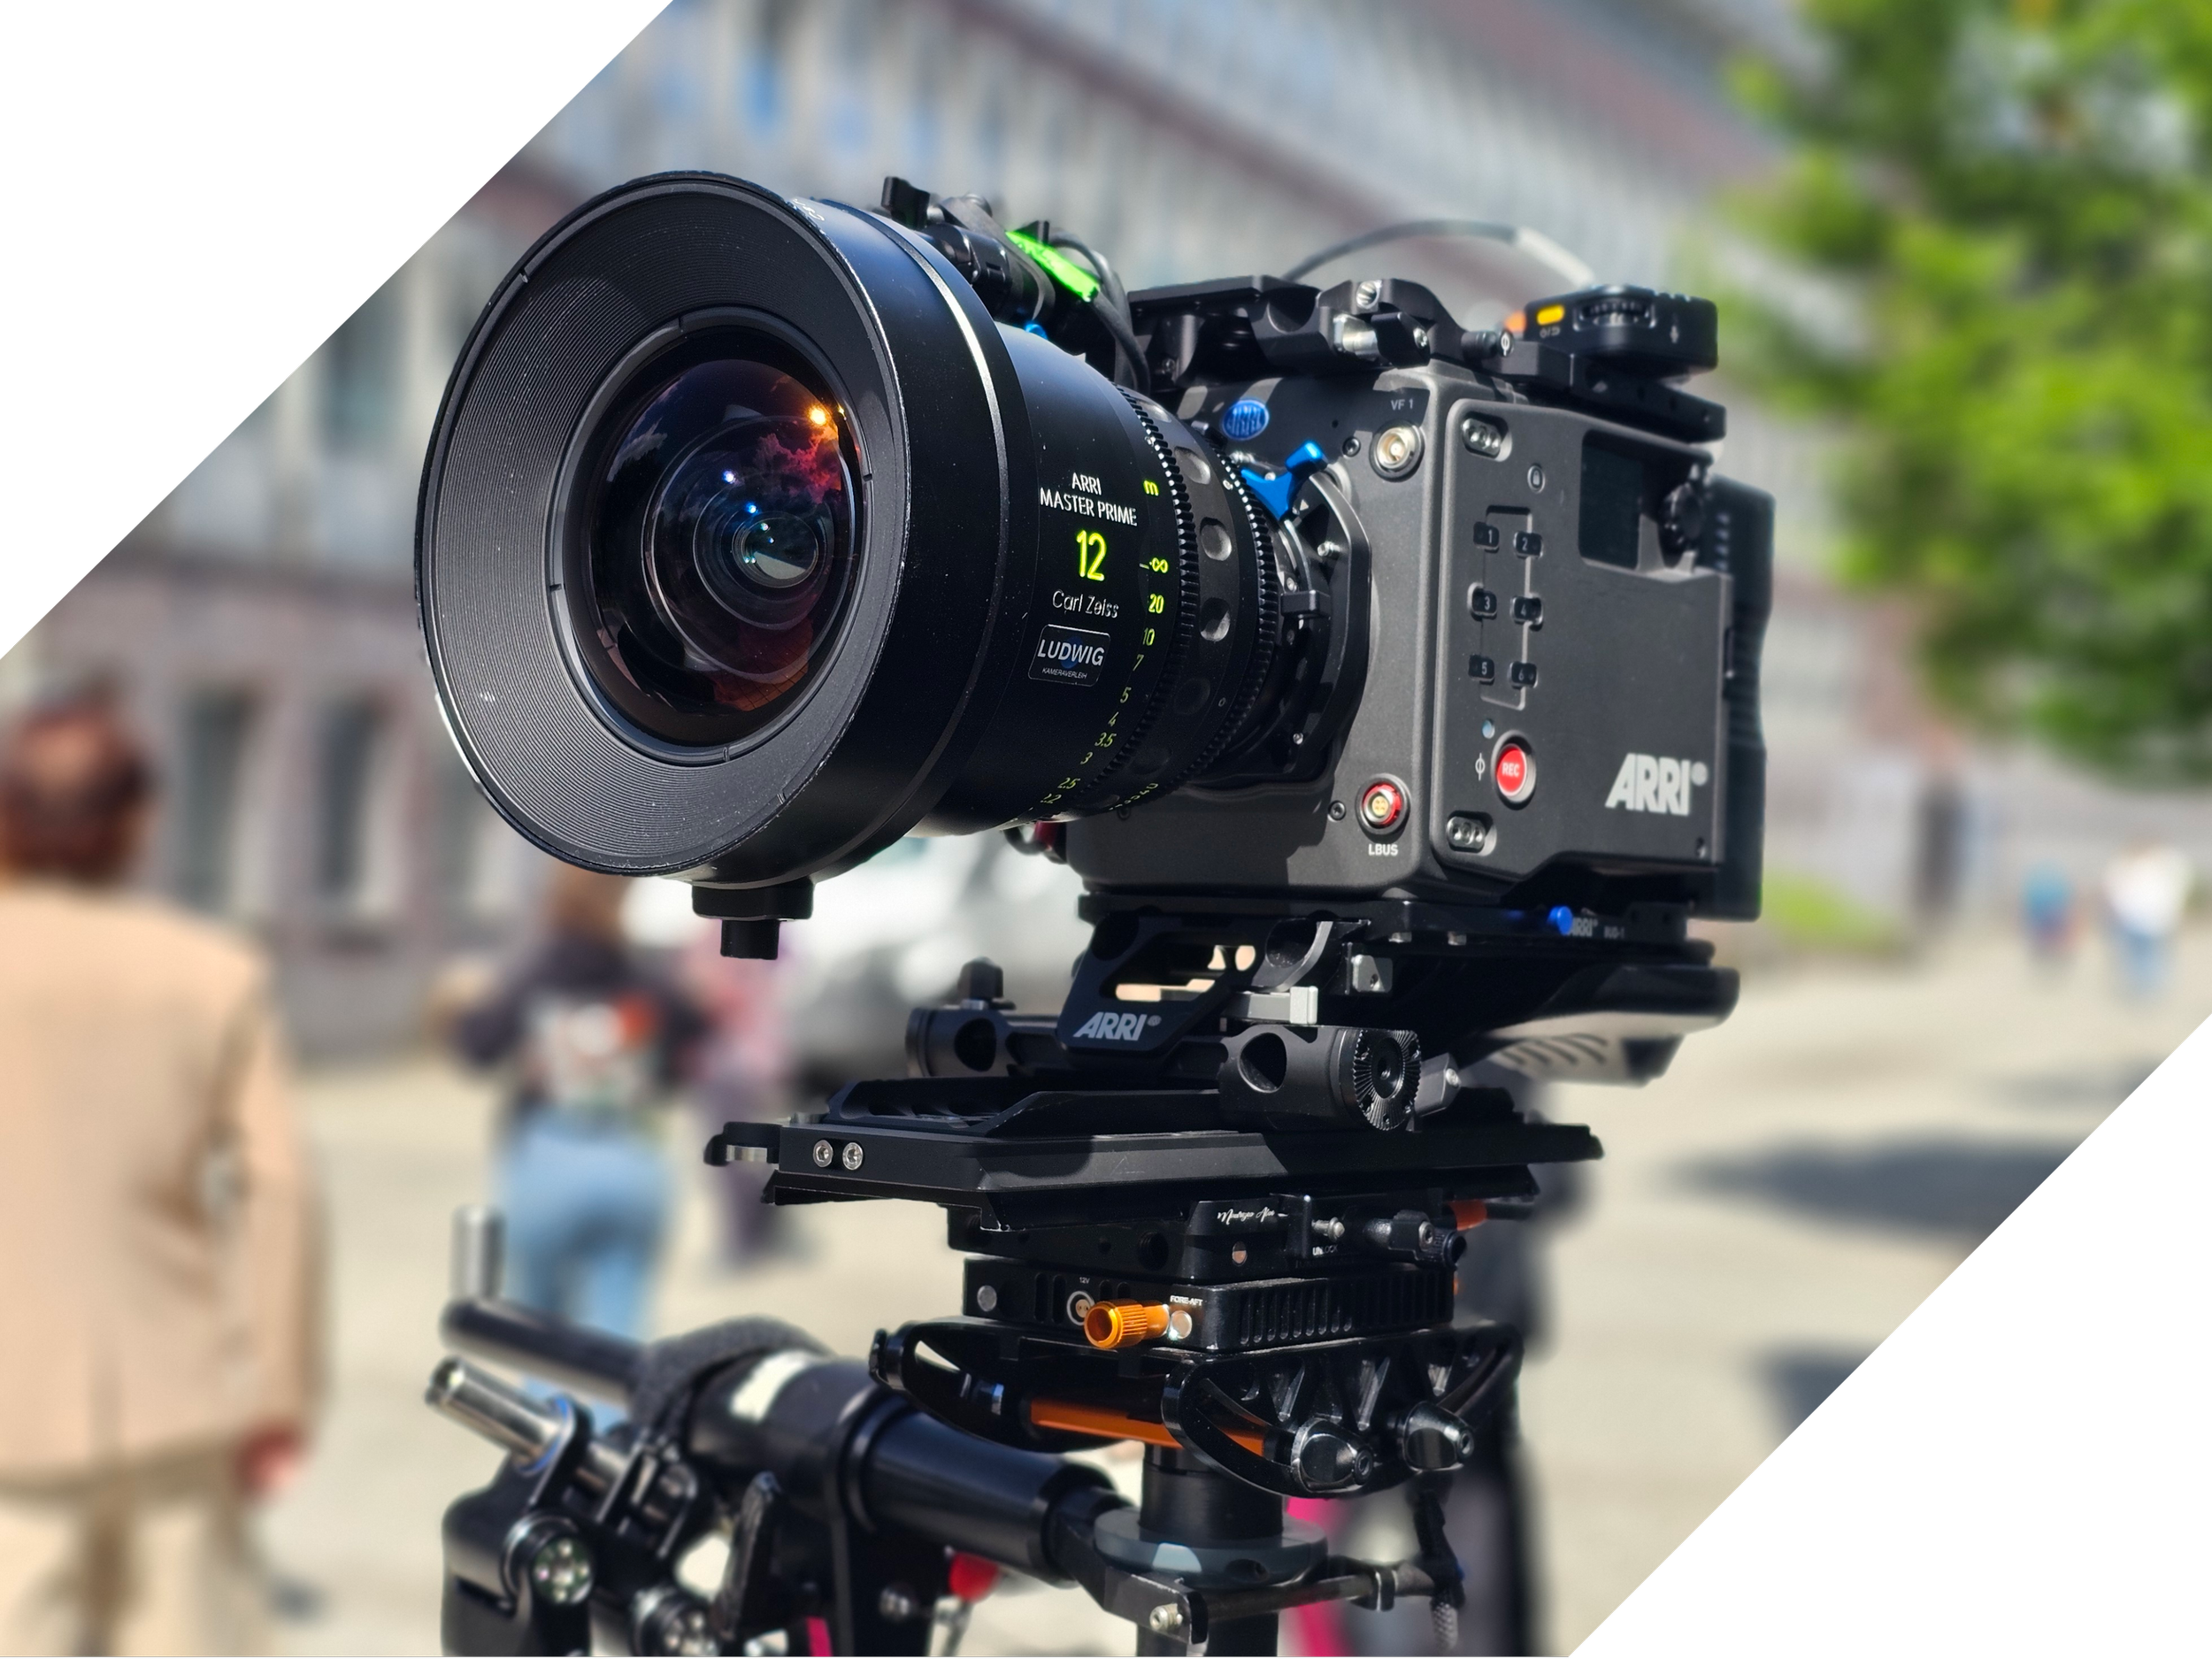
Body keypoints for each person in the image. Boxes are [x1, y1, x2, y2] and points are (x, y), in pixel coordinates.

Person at [0, 695, 321, 1657]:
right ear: (138, 822)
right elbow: (281, 1192)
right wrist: (278, 1390)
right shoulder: (213, 971)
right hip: (173, 1394)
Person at [450, 864, 704, 1340]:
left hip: (549, 1160)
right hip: (632, 1158)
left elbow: (477, 1046)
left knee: (539, 1335)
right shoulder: (640, 976)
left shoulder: (538, 971)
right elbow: (692, 1036)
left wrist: (458, 1002)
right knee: (617, 1344)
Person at [2101, 841, 2193, 999]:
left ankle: (2146, 988)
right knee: (2144, 956)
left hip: (2144, 920)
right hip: (2143, 920)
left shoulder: (2138, 867)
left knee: (2144, 955)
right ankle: (2146, 988)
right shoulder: (2157, 867)